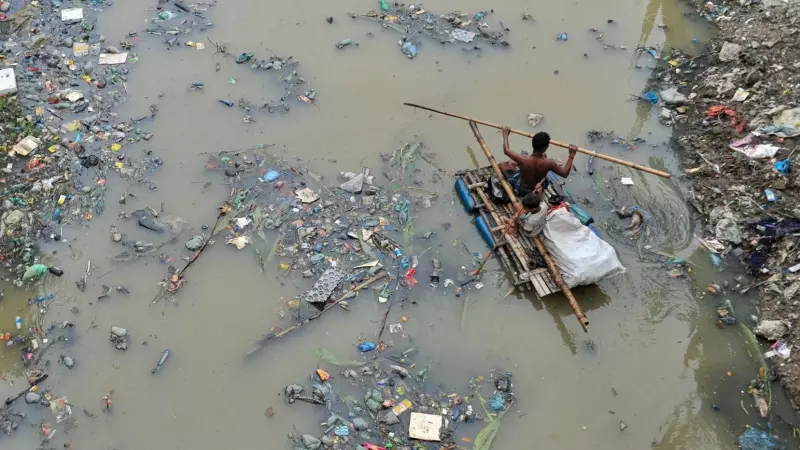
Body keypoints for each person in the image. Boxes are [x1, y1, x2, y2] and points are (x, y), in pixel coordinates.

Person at [499, 126, 578, 196]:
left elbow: (506, 150)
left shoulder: (523, 159)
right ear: (546, 147)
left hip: (523, 190)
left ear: (533, 143)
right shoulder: (549, 163)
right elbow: (564, 173)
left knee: (503, 164)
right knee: (544, 156)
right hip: (537, 189)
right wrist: (571, 156)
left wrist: (505, 134)